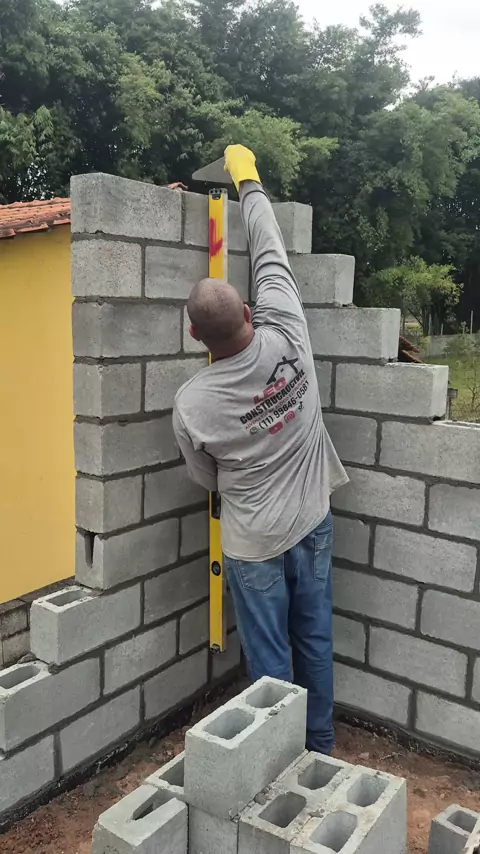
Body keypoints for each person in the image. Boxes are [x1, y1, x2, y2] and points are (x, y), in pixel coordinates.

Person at [172, 144, 348, 754]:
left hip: (253, 546)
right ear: (250, 310)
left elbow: (207, 479)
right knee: (314, 640)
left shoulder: (193, 403)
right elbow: (269, 249)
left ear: (194, 336)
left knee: (270, 660)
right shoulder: (288, 328)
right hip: (313, 521)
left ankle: (279, 759)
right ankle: (319, 746)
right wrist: (247, 179)